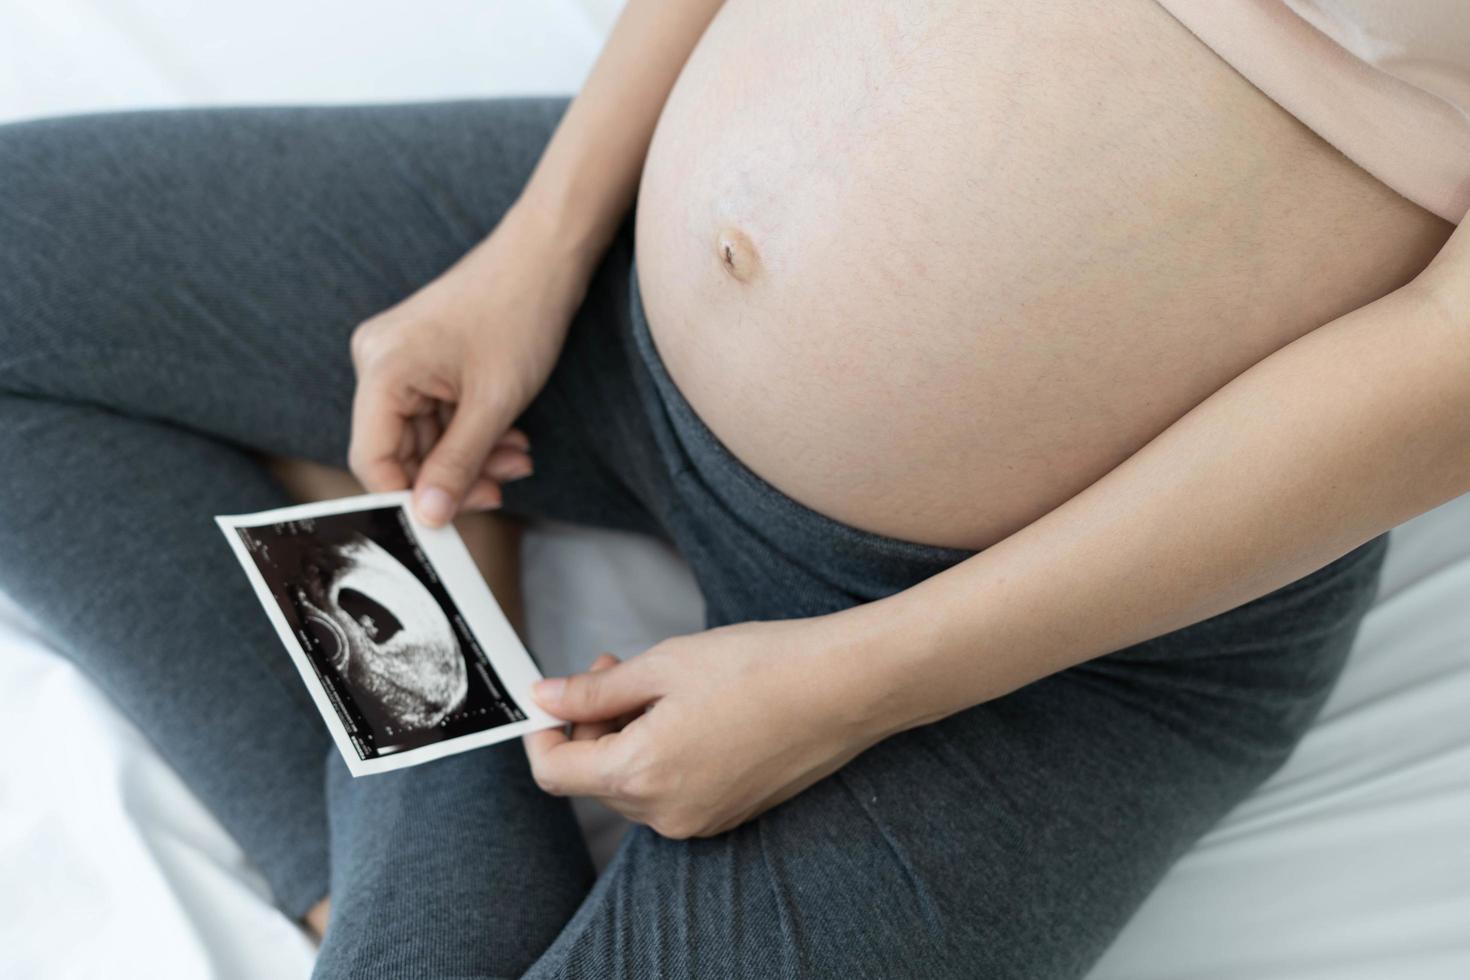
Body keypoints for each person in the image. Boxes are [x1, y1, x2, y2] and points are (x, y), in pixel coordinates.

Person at [1, 1, 1466, 977]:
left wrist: (856, 683)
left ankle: (416, 711)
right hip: (601, 300)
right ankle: (437, 724)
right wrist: (534, 248)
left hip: (1045, 632)